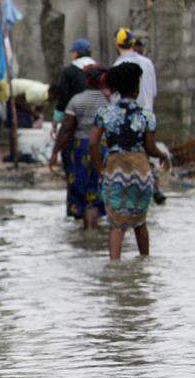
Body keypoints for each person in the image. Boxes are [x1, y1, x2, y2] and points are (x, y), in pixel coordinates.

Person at [88, 62, 171, 260]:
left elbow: (93, 144)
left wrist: (101, 169)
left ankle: (115, 272)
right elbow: (150, 148)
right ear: (136, 88)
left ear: (115, 88)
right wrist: (163, 156)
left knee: (117, 224)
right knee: (140, 222)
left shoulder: (105, 113)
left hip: (115, 169)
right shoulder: (146, 115)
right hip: (140, 170)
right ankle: (144, 266)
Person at [49, 64, 109, 229]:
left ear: (86, 80)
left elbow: (67, 129)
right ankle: (94, 230)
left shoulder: (76, 100)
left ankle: (85, 231)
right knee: (97, 188)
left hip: (80, 148)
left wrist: (55, 152)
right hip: (102, 148)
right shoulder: (108, 102)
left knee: (80, 188)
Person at [114, 30, 165, 205]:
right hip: (147, 115)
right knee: (149, 150)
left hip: (126, 116)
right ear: (133, 43)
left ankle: (128, 190)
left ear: (117, 44)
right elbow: (154, 92)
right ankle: (155, 186)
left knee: (127, 152)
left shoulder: (118, 64)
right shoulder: (147, 63)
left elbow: (115, 97)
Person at [52, 39, 97, 125]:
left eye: (72, 52)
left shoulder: (69, 71)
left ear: (76, 53)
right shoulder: (98, 69)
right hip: (96, 115)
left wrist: (56, 118)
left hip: (75, 115)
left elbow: (64, 96)